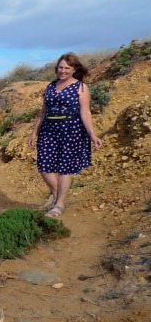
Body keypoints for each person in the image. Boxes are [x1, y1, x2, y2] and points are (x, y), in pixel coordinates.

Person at [28, 52, 103, 218]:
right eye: (60, 67)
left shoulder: (81, 87)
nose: (63, 71)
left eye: (67, 68)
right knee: (44, 166)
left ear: (74, 69)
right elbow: (43, 111)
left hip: (71, 129)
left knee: (64, 168)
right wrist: (34, 131)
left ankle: (59, 204)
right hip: (49, 129)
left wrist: (92, 134)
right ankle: (57, 196)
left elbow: (85, 112)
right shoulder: (51, 86)